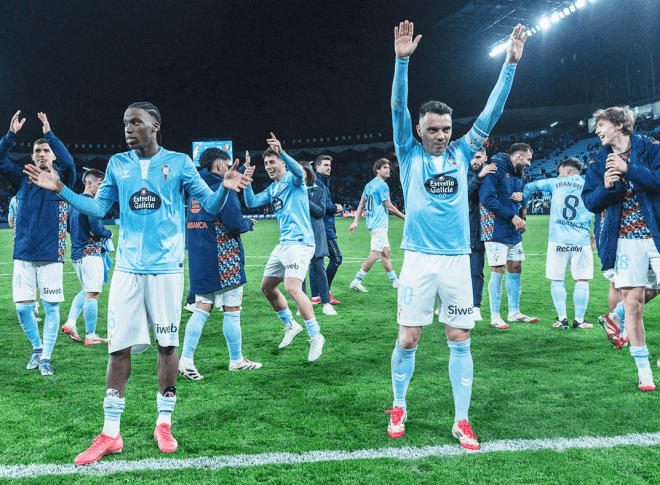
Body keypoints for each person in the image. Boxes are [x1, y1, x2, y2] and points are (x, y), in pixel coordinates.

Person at [24, 102, 251, 464]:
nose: (128, 129)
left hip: (166, 270)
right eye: (125, 123)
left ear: (155, 125)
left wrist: (225, 188)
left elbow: (209, 205)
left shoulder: (179, 163)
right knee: (118, 349)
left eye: (135, 122)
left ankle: (164, 421)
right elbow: (99, 209)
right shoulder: (118, 164)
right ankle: (110, 433)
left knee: (166, 345)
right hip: (128, 271)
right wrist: (61, 190)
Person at [387, 20, 527, 450]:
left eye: (446, 129)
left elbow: (492, 111)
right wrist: (402, 63)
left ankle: (461, 419)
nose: (441, 135)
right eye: (433, 129)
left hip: (456, 259)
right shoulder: (408, 154)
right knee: (409, 337)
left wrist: (509, 65)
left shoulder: (464, 151)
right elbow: (397, 108)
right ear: (419, 131)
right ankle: (398, 403)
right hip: (417, 259)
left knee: (459, 338)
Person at [582, 106, 660, 392]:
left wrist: (630, 170)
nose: (596, 130)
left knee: (643, 295)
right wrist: (604, 187)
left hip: (656, 234)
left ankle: (614, 319)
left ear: (619, 124)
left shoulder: (652, 149)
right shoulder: (595, 163)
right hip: (624, 240)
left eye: (600, 124)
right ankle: (644, 371)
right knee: (633, 303)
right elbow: (591, 202)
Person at [0, 111, 76, 376]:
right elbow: (0, 159)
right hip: (23, 255)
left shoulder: (62, 179)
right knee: (22, 309)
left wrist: (50, 135)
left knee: (51, 308)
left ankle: (46, 357)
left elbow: (70, 163)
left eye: (46, 150)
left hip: (51, 256)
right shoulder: (22, 178)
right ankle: (36, 347)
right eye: (37, 151)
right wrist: (10, 136)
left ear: (52, 155)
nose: (42, 154)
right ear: (32, 157)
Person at [179, 148, 261, 380]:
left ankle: (186, 359)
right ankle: (236, 360)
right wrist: (249, 223)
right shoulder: (223, 188)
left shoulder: (196, 188)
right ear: (219, 167)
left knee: (202, 307)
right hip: (223, 257)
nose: (230, 169)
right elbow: (234, 223)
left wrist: (244, 171)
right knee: (232, 309)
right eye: (227, 165)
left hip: (199, 256)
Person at [244, 133, 325, 362]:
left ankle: (316, 335)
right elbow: (250, 203)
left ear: (281, 162)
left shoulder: (292, 179)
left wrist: (282, 152)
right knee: (267, 288)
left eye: (272, 162)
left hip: (300, 243)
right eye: (266, 163)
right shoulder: (273, 188)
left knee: (292, 287)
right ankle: (291, 325)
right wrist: (247, 181)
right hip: (284, 244)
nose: (269, 166)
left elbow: (300, 173)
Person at [522, 158, 594, 329]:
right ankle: (580, 320)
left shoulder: (555, 183)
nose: (559, 174)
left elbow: (529, 187)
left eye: (560, 171)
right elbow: (598, 207)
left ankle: (562, 320)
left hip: (557, 240)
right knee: (582, 280)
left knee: (557, 280)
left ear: (567, 170)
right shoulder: (588, 185)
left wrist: (523, 208)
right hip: (581, 240)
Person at [480, 143, 538, 329]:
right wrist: (512, 216)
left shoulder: (517, 173)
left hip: (513, 230)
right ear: (519, 156)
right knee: (498, 269)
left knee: (516, 266)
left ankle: (514, 312)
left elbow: (521, 198)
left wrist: (522, 216)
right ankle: (495, 315)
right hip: (496, 228)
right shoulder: (495, 169)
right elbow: (487, 199)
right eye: (528, 159)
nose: (529, 163)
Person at [61, 168, 113, 345]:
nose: (102, 188)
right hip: (90, 253)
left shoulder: (74, 203)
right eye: (100, 184)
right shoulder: (91, 203)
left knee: (87, 291)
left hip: (77, 253)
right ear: (89, 183)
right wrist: (108, 234)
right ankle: (91, 335)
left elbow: (67, 227)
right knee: (93, 293)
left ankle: (71, 322)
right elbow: (98, 229)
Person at [348, 158, 405, 292]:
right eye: (385, 167)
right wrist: (405, 217)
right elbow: (389, 207)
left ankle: (395, 281)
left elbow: (361, 204)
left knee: (386, 252)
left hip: (372, 223)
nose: (388, 170)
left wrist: (356, 221)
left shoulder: (369, 185)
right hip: (379, 223)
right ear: (378, 170)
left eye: (388, 167)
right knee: (376, 253)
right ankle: (356, 280)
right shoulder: (382, 185)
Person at [301, 160, 336, 316]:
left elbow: (320, 212)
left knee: (319, 269)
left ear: (308, 173)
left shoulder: (318, 190)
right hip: (299, 235)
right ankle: (302, 305)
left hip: (315, 235)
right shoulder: (292, 190)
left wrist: (304, 198)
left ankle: (326, 303)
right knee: (300, 272)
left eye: (301, 171)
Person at [467, 147, 496, 321]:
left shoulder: (492, 173)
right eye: (472, 158)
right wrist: (479, 176)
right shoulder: (466, 173)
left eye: (478, 157)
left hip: (489, 228)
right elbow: (466, 193)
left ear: (485, 157)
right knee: (463, 269)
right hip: (468, 229)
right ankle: (454, 304)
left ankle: (476, 306)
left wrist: (516, 195)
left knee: (480, 269)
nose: (475, 161)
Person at [312, 155, 342, 305]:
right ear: (317, 167)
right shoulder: (318, 183)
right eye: (325, 165)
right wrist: (335, 207)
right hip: (323, 227)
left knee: (316, 260)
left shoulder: (322, 182)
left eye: (329, 165)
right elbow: (322, 208)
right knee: (336, 258)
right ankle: (325, 292)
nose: (328, 167)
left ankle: (316, 296)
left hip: (322, 226)